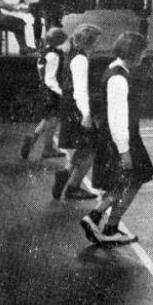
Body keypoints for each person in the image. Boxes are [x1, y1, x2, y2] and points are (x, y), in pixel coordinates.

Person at [80, 32, 153, 245]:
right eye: (142, 51)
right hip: (120, 140)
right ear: (134, 53)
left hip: (121, 138)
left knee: (127, 181)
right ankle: (100, 220)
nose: (144, 55)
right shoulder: (118, 77)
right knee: (126, 182)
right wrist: (124, 151)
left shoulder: (117, 69)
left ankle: (106, 223)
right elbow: (117, 117)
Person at [53, 24, 102, 200]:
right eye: (96, 41)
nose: (98, 45)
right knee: (91, 148)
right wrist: (86, 115)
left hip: (70, 106)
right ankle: (73, 186)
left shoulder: (73, 54)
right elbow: (80, 90)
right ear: (89, 42)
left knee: (85, 146)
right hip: (77, 107)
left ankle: (66, 174)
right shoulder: (81, 60)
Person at [21, 28, 69, 160]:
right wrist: (61, 93)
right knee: (52, 121)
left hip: (44, 90)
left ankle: (32, 140)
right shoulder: (54, 55)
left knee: (47, 119)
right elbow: (50, 79)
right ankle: (48, 150)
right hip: (51, 91)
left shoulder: (44, 52)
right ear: (59, 41)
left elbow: (42, 73)